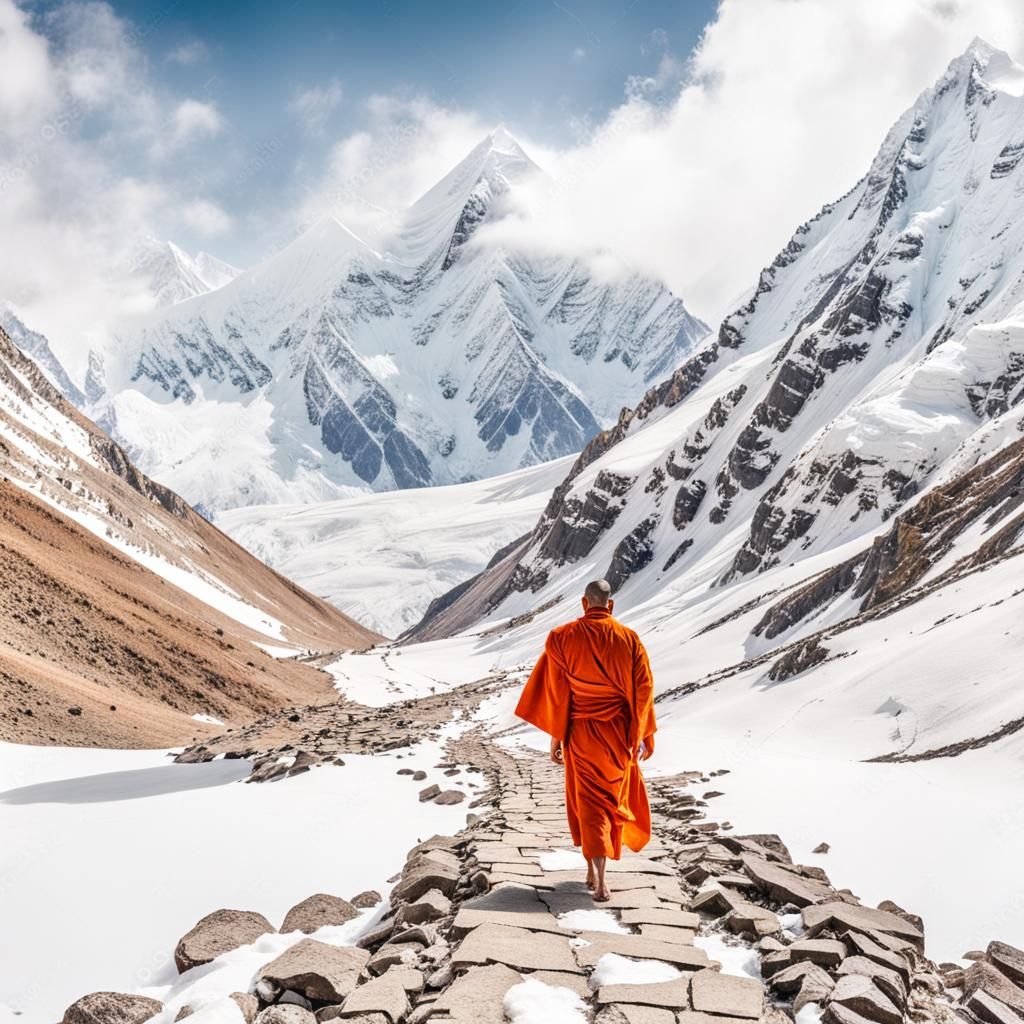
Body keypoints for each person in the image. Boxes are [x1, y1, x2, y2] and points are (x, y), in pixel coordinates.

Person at [515, 579, 656, 902]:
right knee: (608, 802)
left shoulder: (561, 638)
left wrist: (556, 737)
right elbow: (643, 691)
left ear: (583, 603)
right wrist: (643, 734)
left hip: (580, 734)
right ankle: (601, 877)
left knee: (588, 803)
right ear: (610, 605)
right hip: (617, 736)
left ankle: (595, 874)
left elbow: (557, 693)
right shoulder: (630, 639)